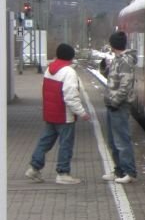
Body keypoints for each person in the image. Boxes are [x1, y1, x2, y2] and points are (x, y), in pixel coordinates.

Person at [25, 43, 91, 185]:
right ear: (70, 57)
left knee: (45, 142)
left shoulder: (49, 69)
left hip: (50, 114)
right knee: (65, 144)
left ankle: (34, 167)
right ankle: (63, 173)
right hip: (64, 116)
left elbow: (44, 89)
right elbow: (70, 97)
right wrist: (82, 113)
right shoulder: (69, 72)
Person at [102, 30, 138, 184]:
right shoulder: (117, 60)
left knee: (121, 140)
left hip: (119, 106)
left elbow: (125, 85)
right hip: (112, 104)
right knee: (112, 140)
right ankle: (119, 170)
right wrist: (104, 69)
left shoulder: (125, 61)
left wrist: (115, 101)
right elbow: (114, 79)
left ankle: (129, 172)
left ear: (113, 45)